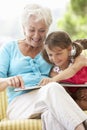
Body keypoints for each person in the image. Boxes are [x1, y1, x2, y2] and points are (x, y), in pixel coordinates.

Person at [0, 4, 87, 130]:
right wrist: (7, 81)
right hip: (19, 105)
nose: (36, 36)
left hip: (51, 101)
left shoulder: (52, 50)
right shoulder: (9, 48)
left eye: (42, 30)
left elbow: (75, 57)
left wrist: (79, 62)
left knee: (52, 116)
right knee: (51, 87)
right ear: (23, 28)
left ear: (48, 29)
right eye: (31, 30)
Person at [41, 30, 87, 111]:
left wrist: (52, 80)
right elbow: (64, 93)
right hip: (75, 98)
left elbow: (72, 70)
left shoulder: (80, 59)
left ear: (69, 49)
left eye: (58, 54)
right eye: (50, 54)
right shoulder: (54, 71)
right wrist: (76, 94)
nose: (54, 59)